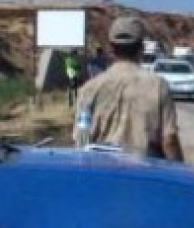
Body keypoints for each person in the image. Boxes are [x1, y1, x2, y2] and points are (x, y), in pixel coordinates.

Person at [73, 17, 184, 161]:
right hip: (144, 173)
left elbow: (81, 140)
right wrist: (180, 172)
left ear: (111, 49)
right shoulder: (158, 86)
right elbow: (169, 140)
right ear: (141, 48)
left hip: (101, 171)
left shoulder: (89, 89)